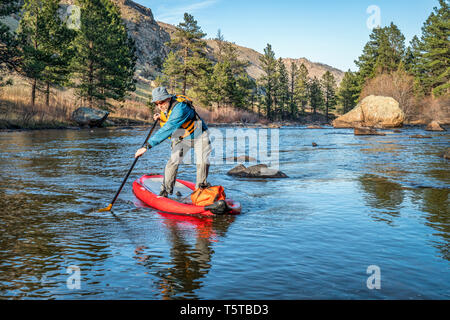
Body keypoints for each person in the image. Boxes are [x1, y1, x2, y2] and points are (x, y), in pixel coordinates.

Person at [135, 87, 211, 198]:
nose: (159, 105)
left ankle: (201, 189)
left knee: (202, 161)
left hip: (199, 134)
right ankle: (165, 191)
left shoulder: (181, 108)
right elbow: (167, 116)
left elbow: (168, 127)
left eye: (161, 102)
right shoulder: (166, 109)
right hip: (182, 137)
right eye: (156, 103)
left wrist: (146, 146)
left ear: (169, 98)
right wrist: (160, 116)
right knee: (173, 162)